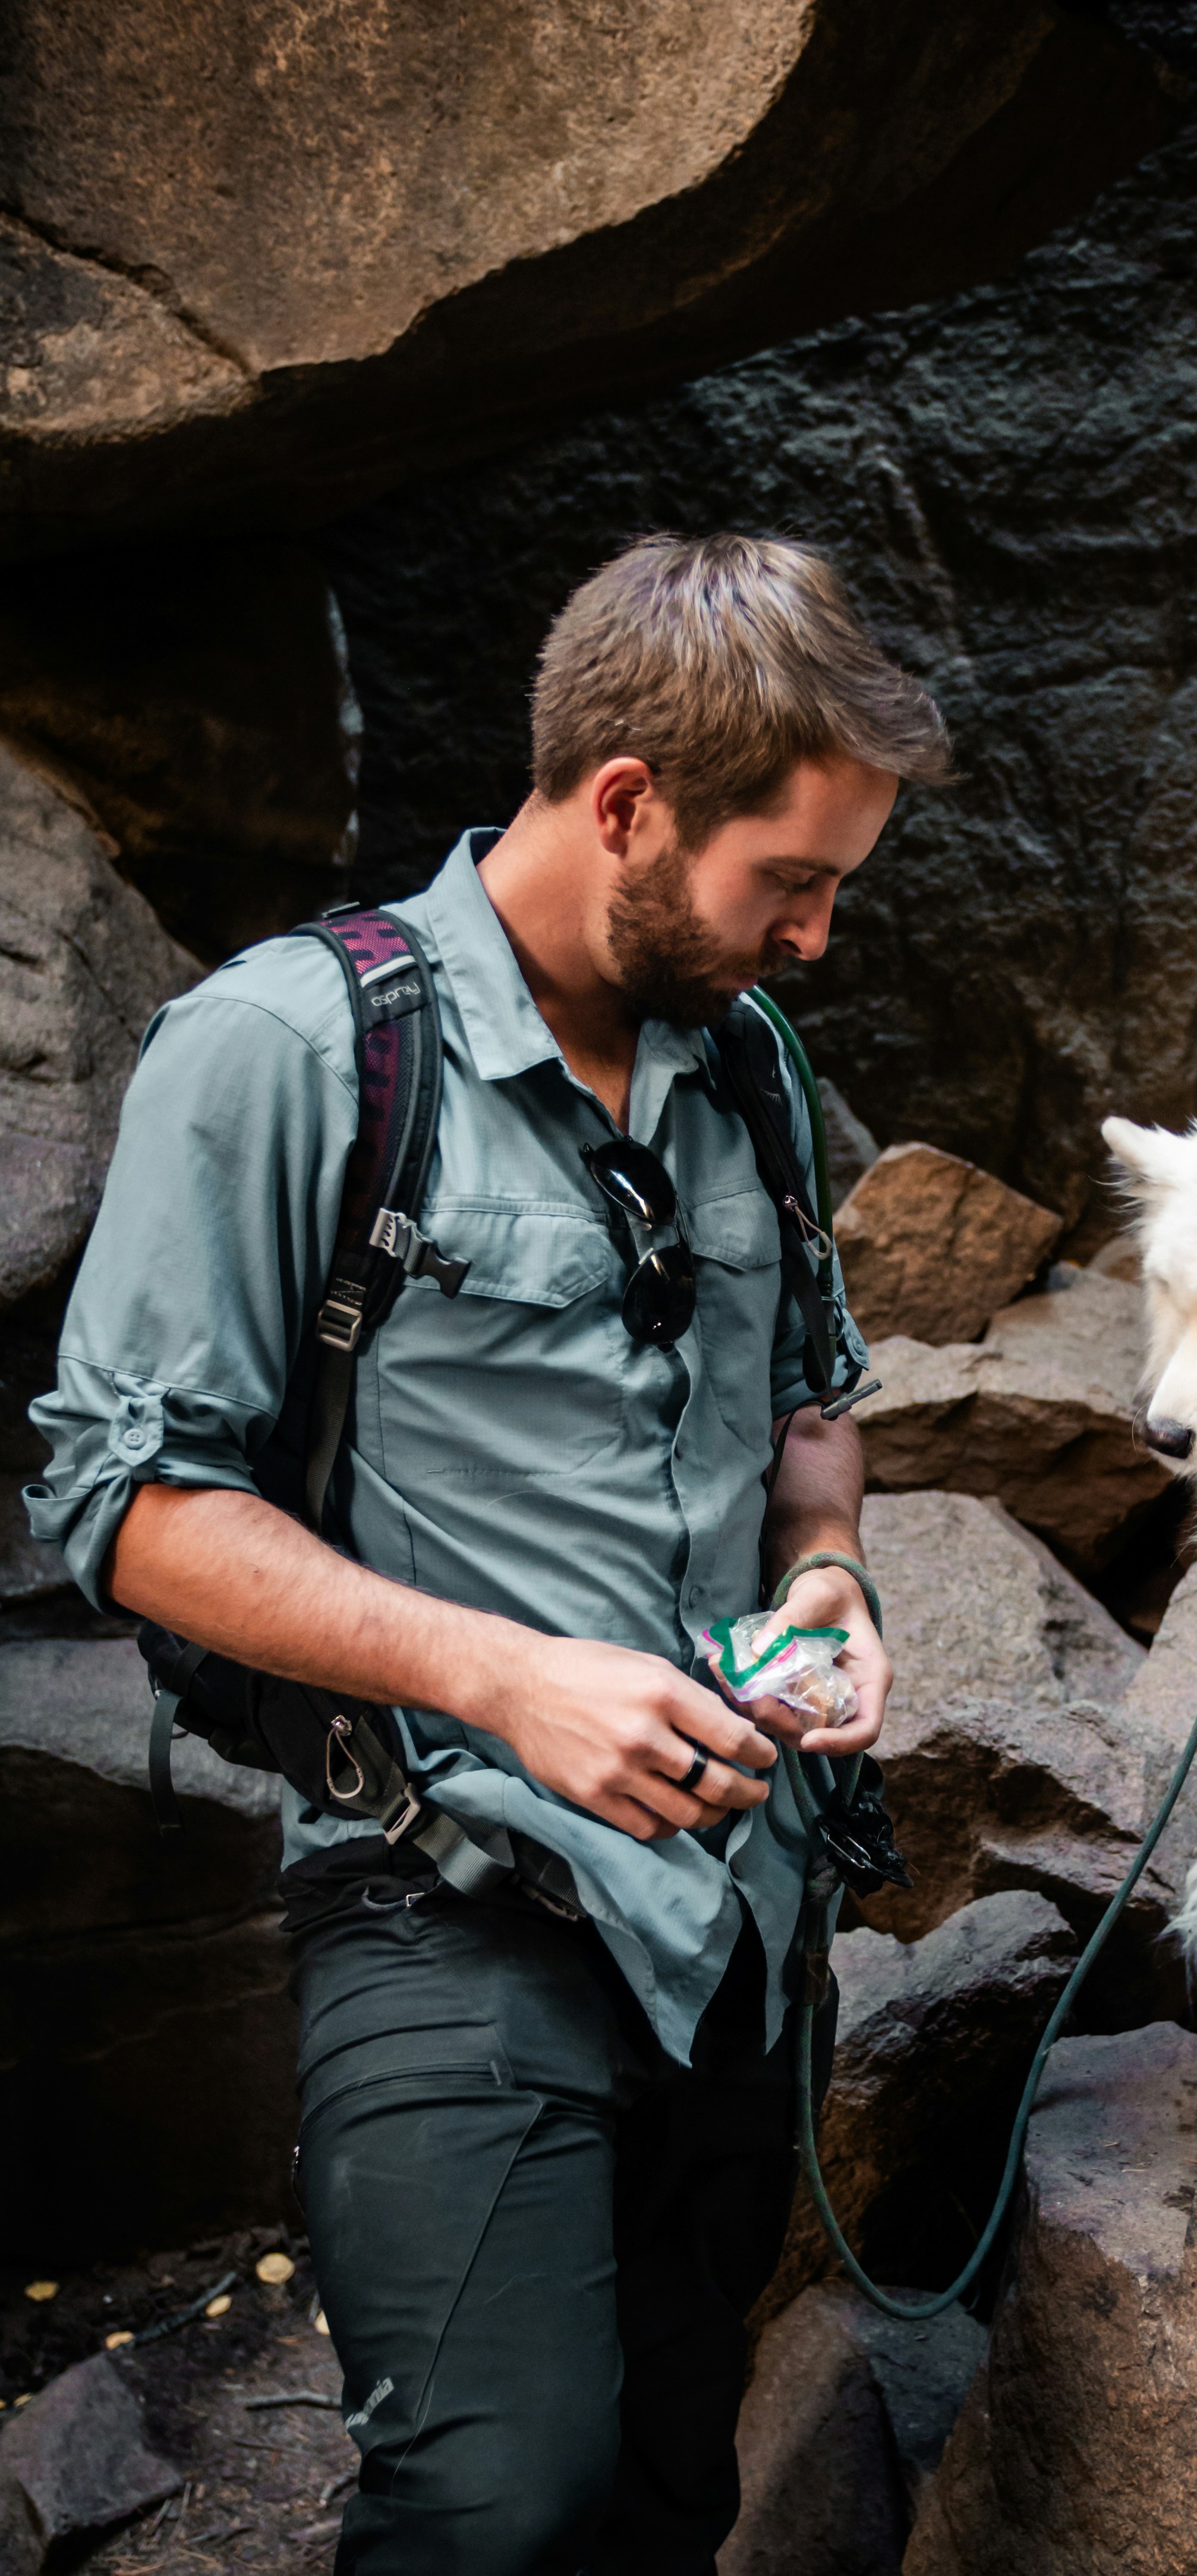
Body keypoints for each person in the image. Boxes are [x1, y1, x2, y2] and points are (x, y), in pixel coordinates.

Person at [27, 533, 954, 2574]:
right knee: (496, 2504)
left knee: (655, 2495)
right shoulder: (287, 1048)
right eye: (782, 881)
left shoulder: (752, 1070)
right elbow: (125, 1507)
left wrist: (825, 1578)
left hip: (740, 1928)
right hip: (444, 1895)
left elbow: (810, 1399)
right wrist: (507, 1676)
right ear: (625, 800)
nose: (808, 940)